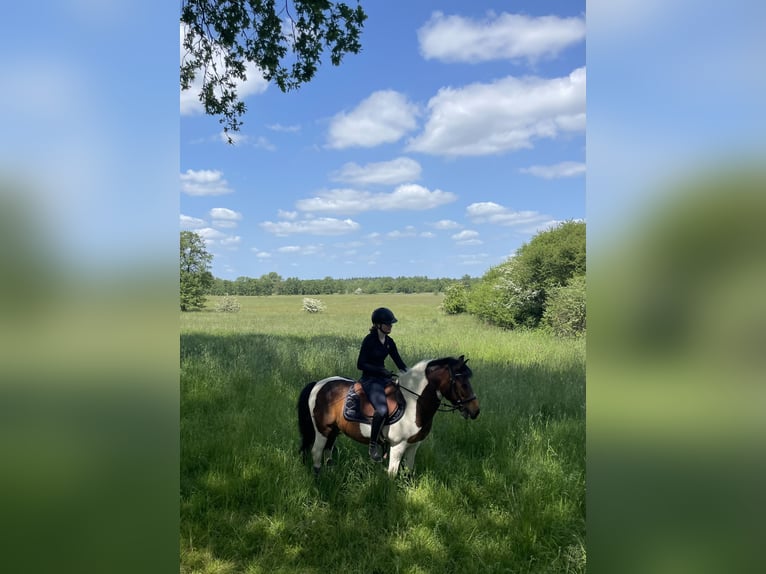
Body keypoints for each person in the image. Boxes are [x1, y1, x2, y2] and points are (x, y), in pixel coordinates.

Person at [356, 307, 408, 462]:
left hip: (383, 379)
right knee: (382, 409)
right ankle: (373, 445)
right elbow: (360, 364)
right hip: (370, 380)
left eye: (391, 324)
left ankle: (389, 438)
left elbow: (399, 363)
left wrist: (412, 375)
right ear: (378, 324)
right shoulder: (369, 340)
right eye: (387, 324)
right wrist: (380, 370)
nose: (390, 326)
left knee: (401, 402)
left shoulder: (389, 342)